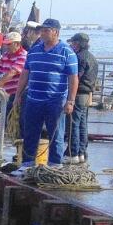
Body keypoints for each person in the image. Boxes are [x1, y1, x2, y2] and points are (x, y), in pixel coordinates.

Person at [12, 18, 79, 171]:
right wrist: (17, 95)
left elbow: (73, 78)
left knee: (56, 133)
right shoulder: (34, 50)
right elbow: (25, 73)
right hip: (33, 99)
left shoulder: (67, 52)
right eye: (41, 30)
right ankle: (27, 164)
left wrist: (71, 101)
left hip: (55, 101)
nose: (42, 33)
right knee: (30, 133)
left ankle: (55, 164)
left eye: (46, 30)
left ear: (56, 32)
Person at [66, 32, 97, 163]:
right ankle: (82, 152)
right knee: (83, 124)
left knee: (73, 124)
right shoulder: (92, 58)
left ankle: (73, 153)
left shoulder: (78, 57)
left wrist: (69, 97)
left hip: (78, 94)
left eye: (73, 43)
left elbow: (76, 77)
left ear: (77, 44)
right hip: (86, 94)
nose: (72, 45)